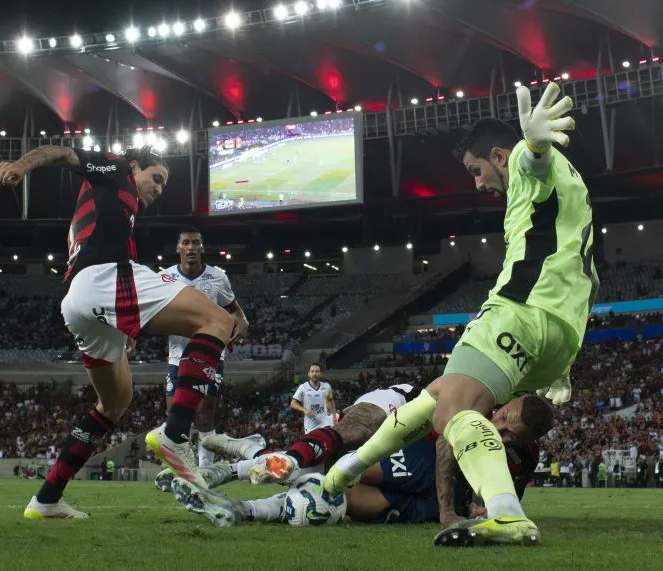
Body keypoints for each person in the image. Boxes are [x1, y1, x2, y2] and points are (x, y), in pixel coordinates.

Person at [322, 83, 596, 547]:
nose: (476, 182)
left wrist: (531, 145)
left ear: (498, 155)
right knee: (437, 395)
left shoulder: (530, 170)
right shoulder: (567, 188)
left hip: (521, 311)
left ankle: (507, 515)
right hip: (561, 333)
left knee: (455, 411)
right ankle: (345, 470)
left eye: (476, 170)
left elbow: (534, 161)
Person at [0, 145, 244, 520]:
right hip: (106, 277)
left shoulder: (113, 210)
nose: (158, 189)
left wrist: (121, 322)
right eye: (155, 177)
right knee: (218, 322)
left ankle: (47, 498)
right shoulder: (115, 169)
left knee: (114, 402)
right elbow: (62, 152)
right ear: (133, 167)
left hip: (79, 302)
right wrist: (21, 165)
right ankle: (176, 433)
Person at [170, 397, 546, 529]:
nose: (498, 429)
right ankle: (236, 466)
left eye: (511, 434)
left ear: (531, 442)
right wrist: (449, 507)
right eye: (502, 417)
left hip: (437, 504)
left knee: (338, 505)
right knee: (337, 470)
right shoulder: (483, 399)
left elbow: (511, 497)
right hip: (427, 460)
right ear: (507, 404)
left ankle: (242, 508)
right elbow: (448, 438)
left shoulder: (526, 457)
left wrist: (483, 507)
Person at [207, 383, 421, 484]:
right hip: (394, 403)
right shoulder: (430, 395)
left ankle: (239, 459)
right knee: (359, 428)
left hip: (396, 445)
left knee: (313, 474)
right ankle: (290, 458)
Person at [162, 228, 249, 467]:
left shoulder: (218, 278)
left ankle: (204, 471)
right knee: (175, 417)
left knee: (203, 414)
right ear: (178, 248)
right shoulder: (165, 278)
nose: (191, 247)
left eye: (196, 243)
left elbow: (235, 309)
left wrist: (242, 322)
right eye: (186, 243)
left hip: (210, 354)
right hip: (177, 356)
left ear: (202, 248)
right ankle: (180, 470)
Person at [290, 363, 335, 434]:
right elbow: (293, 403)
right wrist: (304, 410)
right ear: (308, 373)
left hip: (326, 424)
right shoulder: (303, 387)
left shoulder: (327, 386)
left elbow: (331, 400)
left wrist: (334, 417)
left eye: (317, 371)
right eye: (312, 371)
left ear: (321, 374)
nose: (314, 373)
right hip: (311, 426)